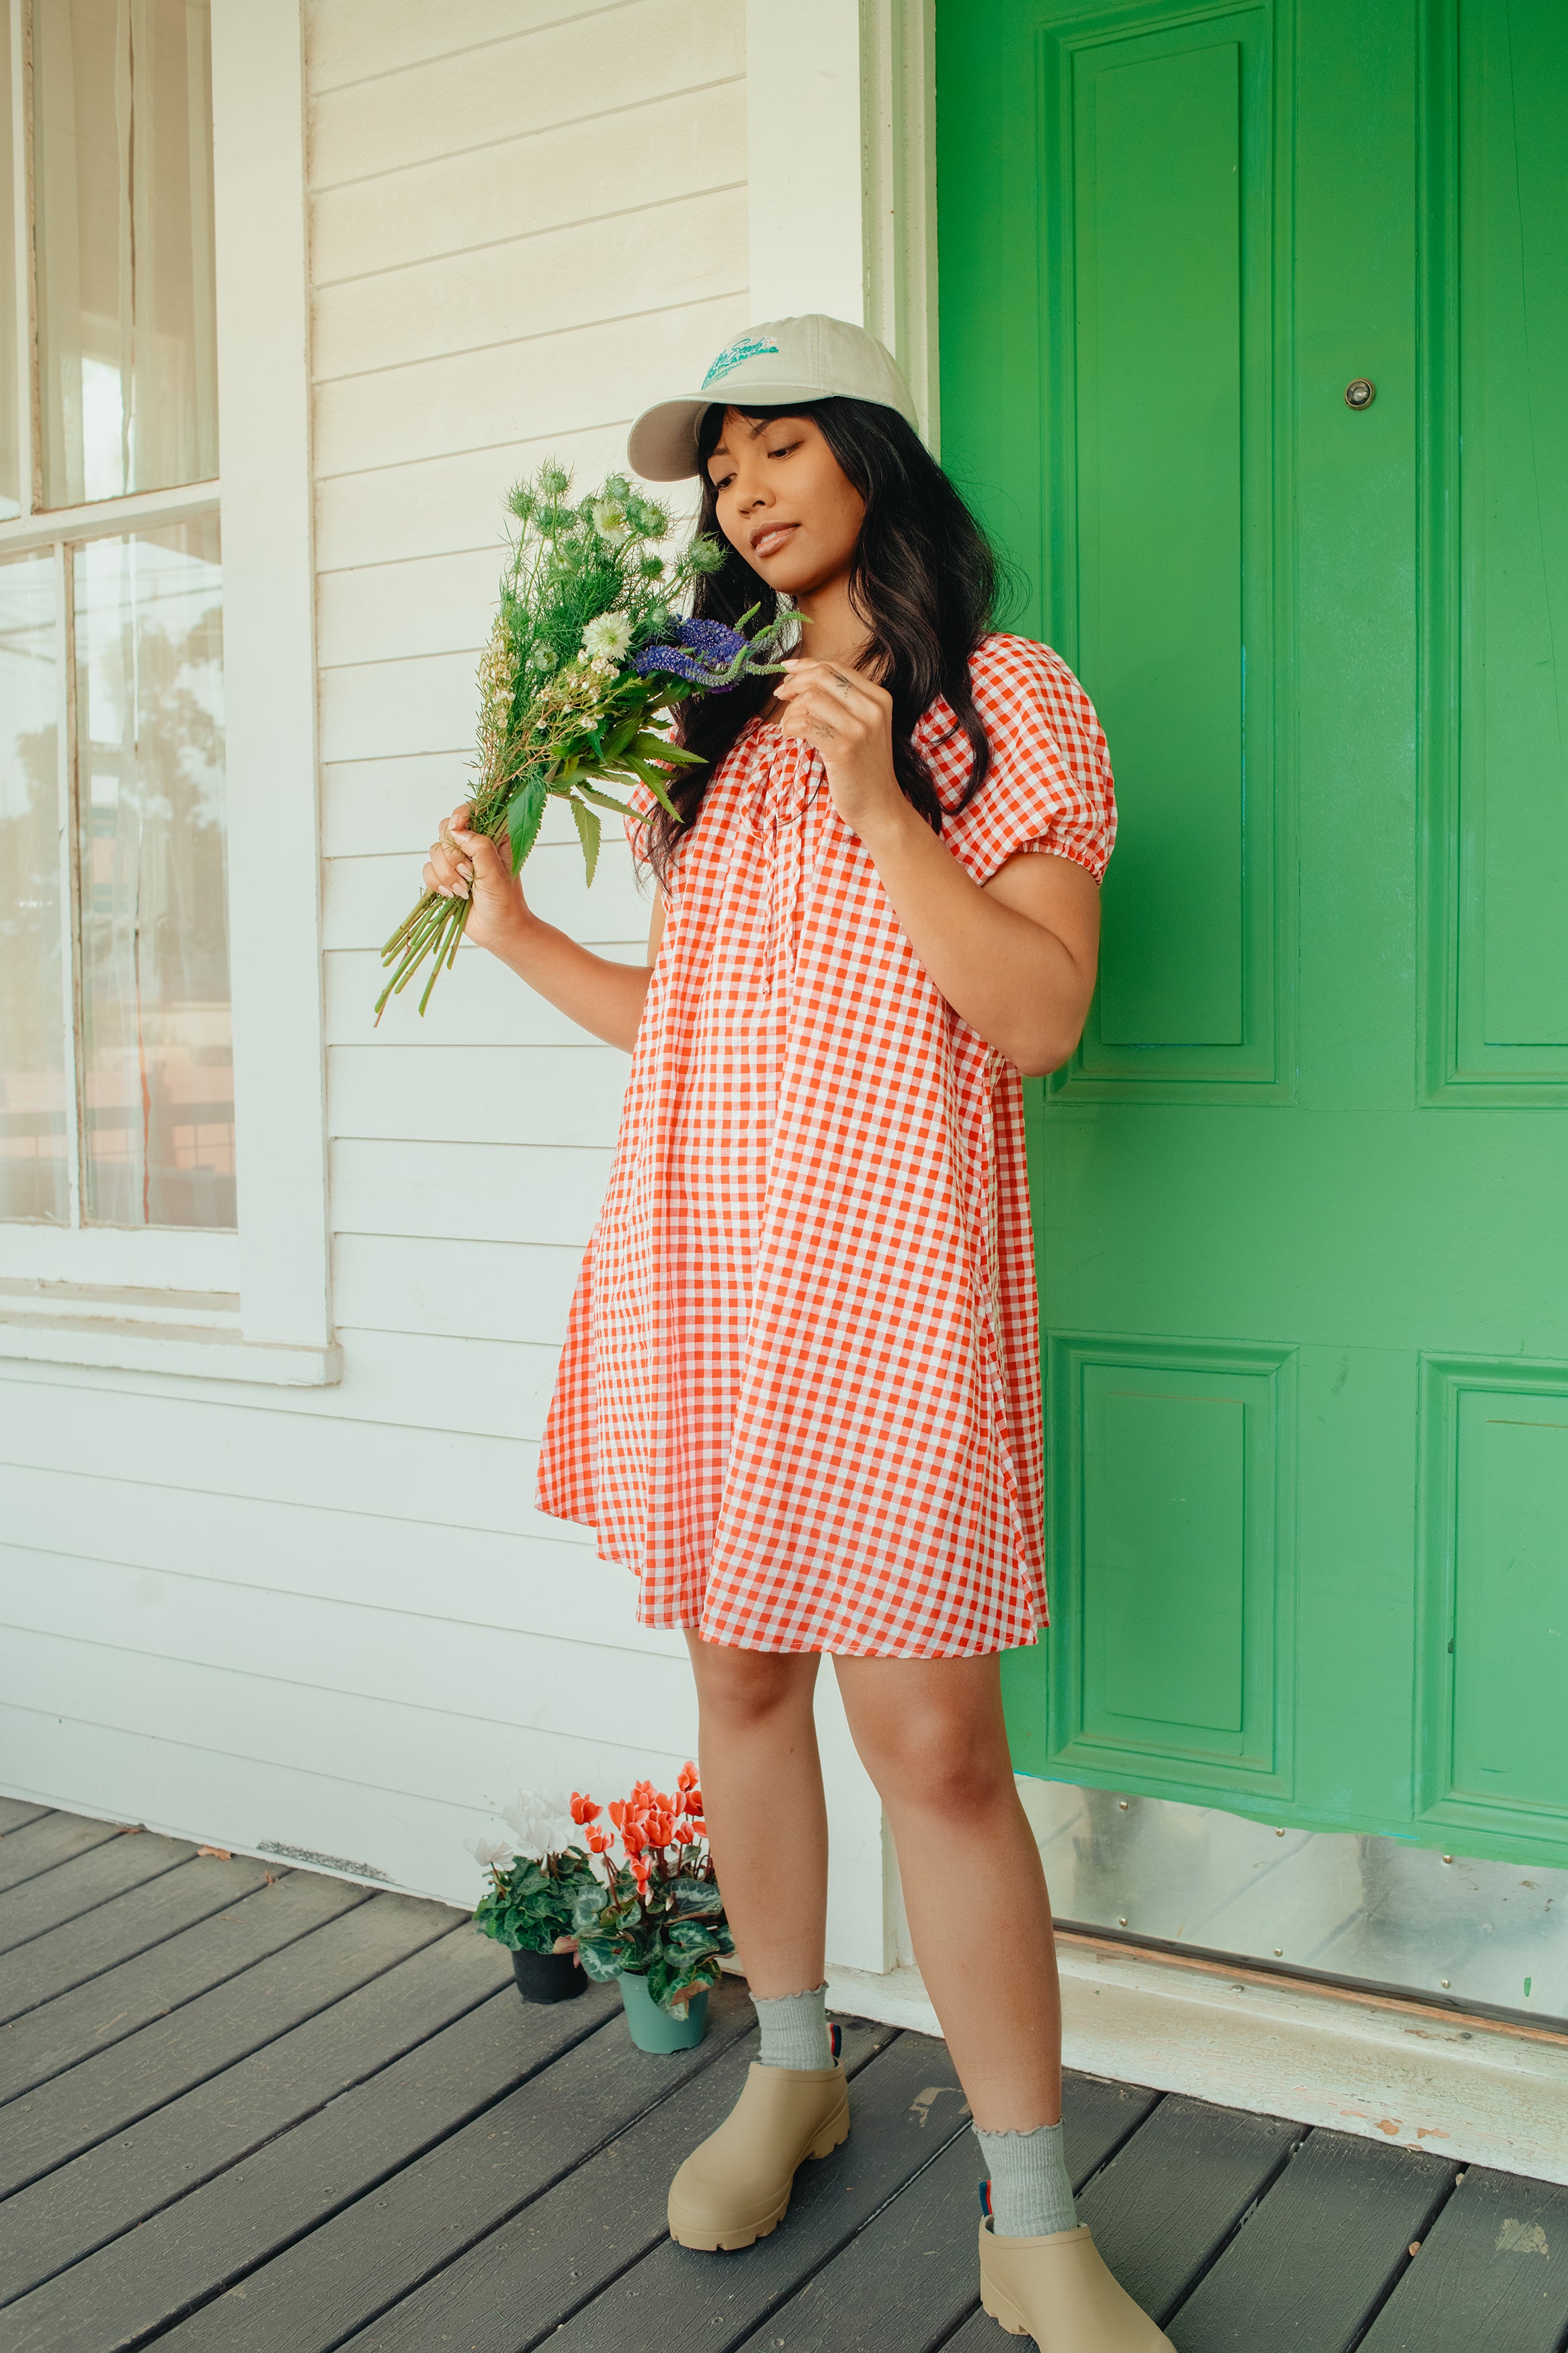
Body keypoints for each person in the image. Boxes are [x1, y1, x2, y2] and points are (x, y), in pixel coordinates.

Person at [422, 315, 1171, 2352]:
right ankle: (793, 2062)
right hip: (711, 1260)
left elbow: (1032, 1018)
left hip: (892, 1274)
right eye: (716, 464)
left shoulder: (1001, 699)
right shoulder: (713, 725)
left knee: (933, 1740)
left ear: (870, 463)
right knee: (742, 1687)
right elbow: (697, 1031)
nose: (741, 487)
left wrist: (889, 803)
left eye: (775, 444)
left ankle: (1031, 2222)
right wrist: (514, 935)